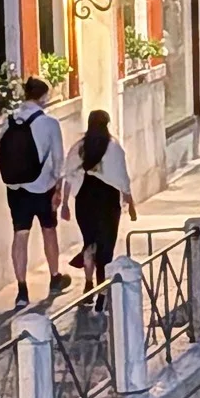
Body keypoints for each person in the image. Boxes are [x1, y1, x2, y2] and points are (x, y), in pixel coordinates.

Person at [0, 76, 68, 309]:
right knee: (49, 230)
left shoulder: (9, 121)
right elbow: (59, 160)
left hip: (16, 189)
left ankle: (21, 290)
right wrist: (58, 190)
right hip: (42, 187)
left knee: (20, 235)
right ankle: (55, 276)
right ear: (43, 96)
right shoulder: (49, 124)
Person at [63, 110, 136, 293]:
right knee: (106, 245)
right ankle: (103, 289)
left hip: (84, 200)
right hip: (107, 201)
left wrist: (64, 203)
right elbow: (122, 178)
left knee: (90, 242)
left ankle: (88, 283)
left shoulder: (78, 148)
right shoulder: (114, 147)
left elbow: (69, 177)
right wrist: (131, 204)